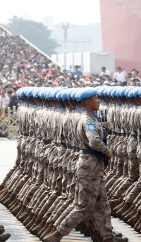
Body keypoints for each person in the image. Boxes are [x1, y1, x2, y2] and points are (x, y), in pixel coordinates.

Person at [43, 88, 115, 242]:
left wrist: (104, 130)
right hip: (90, 167)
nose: (99, 101)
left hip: (93, 167)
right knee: (84, 207)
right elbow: (94, 141)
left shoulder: (90, 117)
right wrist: (107, 151)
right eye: (96, 99)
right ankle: (57, 234)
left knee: (102, 205)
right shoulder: (88, 120)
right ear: (88, 102)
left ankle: (108, 238)